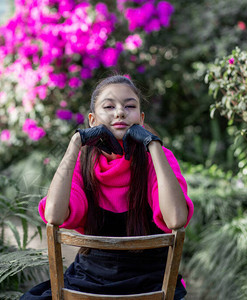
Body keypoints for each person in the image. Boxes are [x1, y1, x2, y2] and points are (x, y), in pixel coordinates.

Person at [21, 75, 194, 300]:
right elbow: (53, 215)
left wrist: (154, 145)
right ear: (92, 120)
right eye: (109, 106)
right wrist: (75, 144)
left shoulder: (158, 159)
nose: (120, 112)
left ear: (141, 119)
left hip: (151, 281)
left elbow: (177, 219)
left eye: (129, 106)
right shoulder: (83, 162)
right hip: (89, 281)